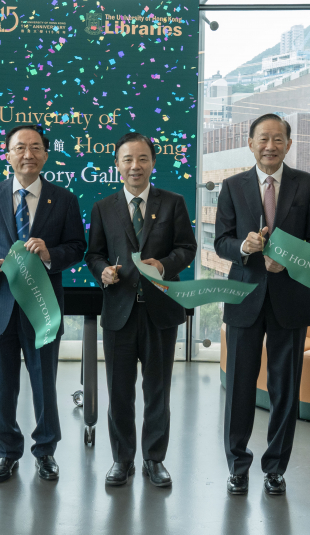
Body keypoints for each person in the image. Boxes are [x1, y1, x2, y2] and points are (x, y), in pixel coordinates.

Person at [214, 113, 310, 496]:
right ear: (250, 143)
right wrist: (244, 247)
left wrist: (290, 260)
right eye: (263, 139)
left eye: (278, 139)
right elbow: (221, 242)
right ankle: (237, 466)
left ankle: (276, 468)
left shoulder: (308, 185)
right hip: (244, 297)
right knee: (239, 388)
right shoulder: (232, 186)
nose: (270, 146)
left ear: (289, 144)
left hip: (291, 299)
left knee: (285, 389)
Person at [0, 124, 86, 483]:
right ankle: (7, 453)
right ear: (8, 155)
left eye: (35, 147)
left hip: (42, 307)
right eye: (19, 148)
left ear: (46, 155)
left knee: (44, 384)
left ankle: (46, 451)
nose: (28, 154)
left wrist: (50, 255)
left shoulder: (64, 199)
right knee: (1, 387)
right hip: (0, 306)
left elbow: (77, 247)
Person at [85, 133, 197, 487]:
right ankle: (122, 459)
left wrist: (163, 265)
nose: (135, 166)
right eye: (128, 159)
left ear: (153, 163)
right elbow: (93, 253)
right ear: (117, 165)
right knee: (119, 392)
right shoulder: (103, 207)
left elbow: (187, 247)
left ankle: (154, 458)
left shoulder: (173, 202)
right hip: (118, 312)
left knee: (157, 392)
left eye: (143, 158)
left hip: (160, 312)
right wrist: (102, 271)